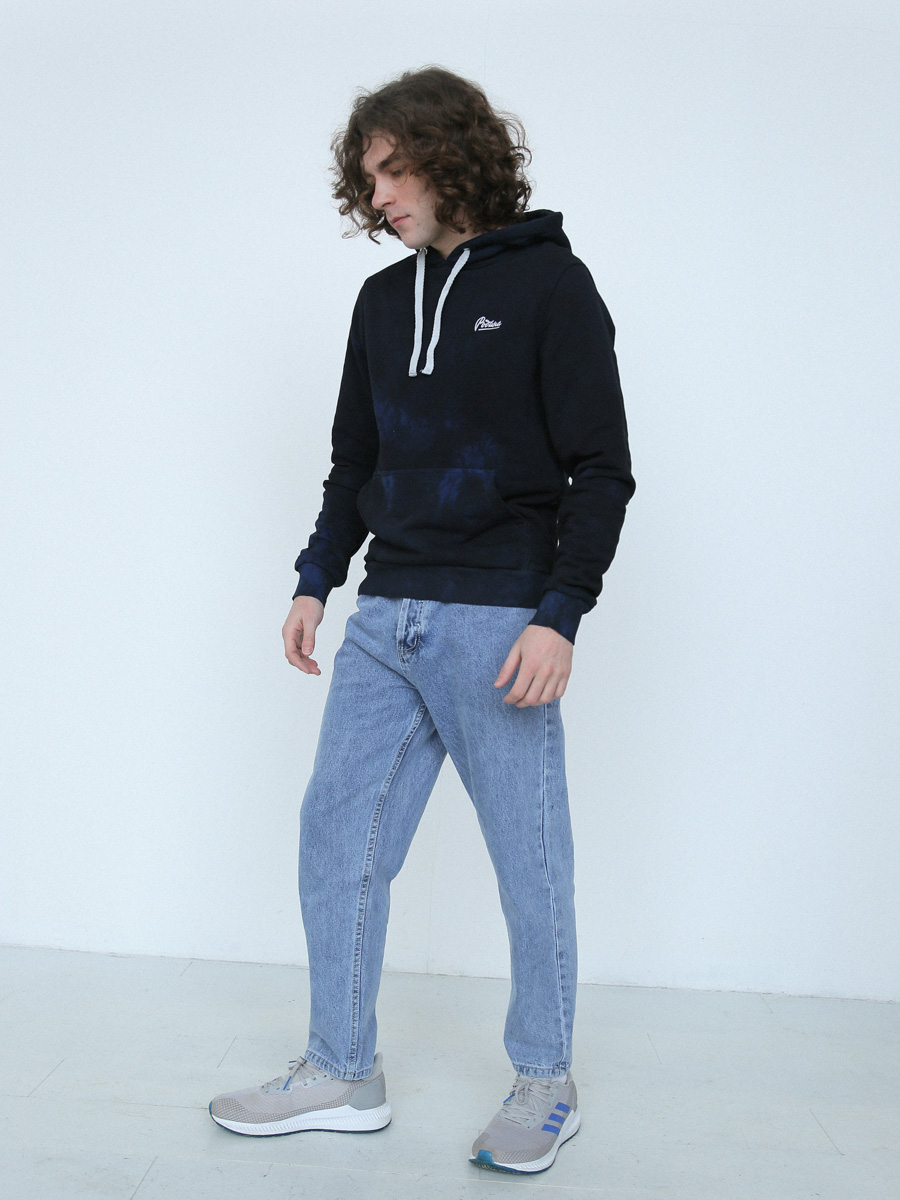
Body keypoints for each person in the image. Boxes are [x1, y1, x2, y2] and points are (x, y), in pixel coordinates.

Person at [209, 64, 635, 1176]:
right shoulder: (379, 301)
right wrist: (316, 579)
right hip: (385, 614)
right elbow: (354, 461)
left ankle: (545, 1080)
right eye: (370, 178)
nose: (381, 195)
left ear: (453, 157)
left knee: (529, 863)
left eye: (396, 170)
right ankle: (342, 1069)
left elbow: (601, 469)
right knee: (336, 841)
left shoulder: (553, 286)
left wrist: (560, 614)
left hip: (500, 622)